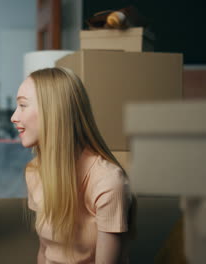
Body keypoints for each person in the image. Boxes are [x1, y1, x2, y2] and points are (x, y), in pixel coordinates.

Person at [11, 67, 135, 263]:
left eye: (23, 105)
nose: (14, 117)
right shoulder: (34, 172)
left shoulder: (109, 182)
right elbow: (45, 252)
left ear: (53, 112)